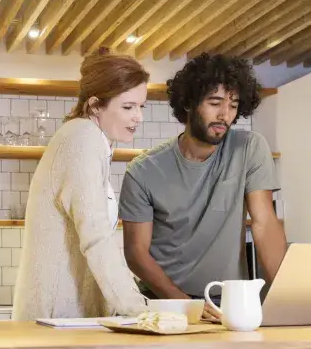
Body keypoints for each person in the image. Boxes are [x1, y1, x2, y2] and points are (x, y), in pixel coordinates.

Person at [118, 53, 287, 311]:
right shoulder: (142, 171)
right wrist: (186, 306)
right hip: (163, 302)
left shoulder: (249, 148)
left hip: (228, 300)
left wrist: (290, 296)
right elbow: (136, 253)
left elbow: (264, 223)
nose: (224, 115)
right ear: (189, 103)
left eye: (233, 105)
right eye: (215, 102)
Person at [13, 50, 149, 321]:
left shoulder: (90, 140)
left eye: (141, 106)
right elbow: (96, 235)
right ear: (96, 105)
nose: (138, 117)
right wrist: (140, 313)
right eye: (128, 107)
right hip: (56, 320)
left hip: (68, 319)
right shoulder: (82, 140)